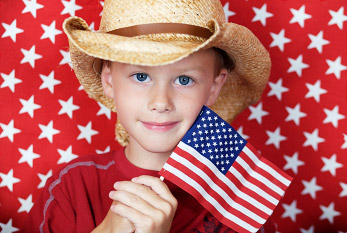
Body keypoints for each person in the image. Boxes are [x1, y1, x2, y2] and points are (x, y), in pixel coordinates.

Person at [23, 0, 275, 232]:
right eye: (141, 76)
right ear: (109, 80)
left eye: (184, 79)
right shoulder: (71, 186)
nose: (160, 102)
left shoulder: (240, 200)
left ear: (214, 87)